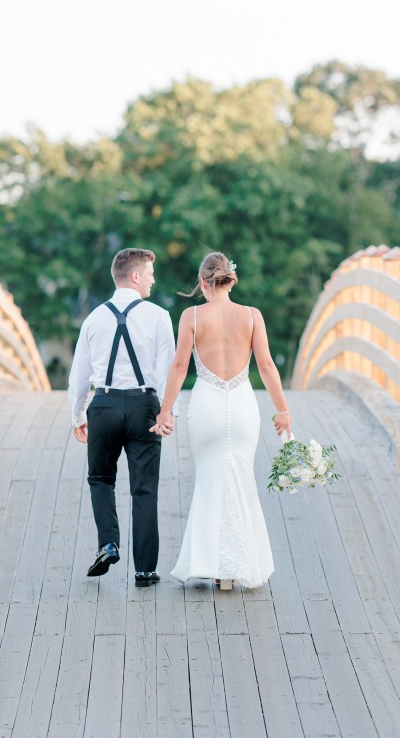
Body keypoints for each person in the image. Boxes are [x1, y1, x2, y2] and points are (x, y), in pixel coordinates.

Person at [152, 252, 288, 590]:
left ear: (202, 283)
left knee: (210, 480)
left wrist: (165, 410)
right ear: (230, 280)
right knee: (241, 478)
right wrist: (283, 410)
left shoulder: (192, 316)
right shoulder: (252, 316)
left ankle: (213, 564)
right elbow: (267, 366)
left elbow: (180, 367)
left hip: (208, 405)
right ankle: (238, 565)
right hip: (242, 404)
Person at [67, 248, 176, 588]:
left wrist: (77, 415)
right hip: (144, 407)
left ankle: (108, 543)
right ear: (135, 276)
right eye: (150, 274)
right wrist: (167, 412)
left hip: (104, 405)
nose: (153, 279)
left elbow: (79, 376)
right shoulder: (159, 316)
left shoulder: (93, 318)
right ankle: (144, 571)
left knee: (100, 479)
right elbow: (167, 370)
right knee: (144, 490)